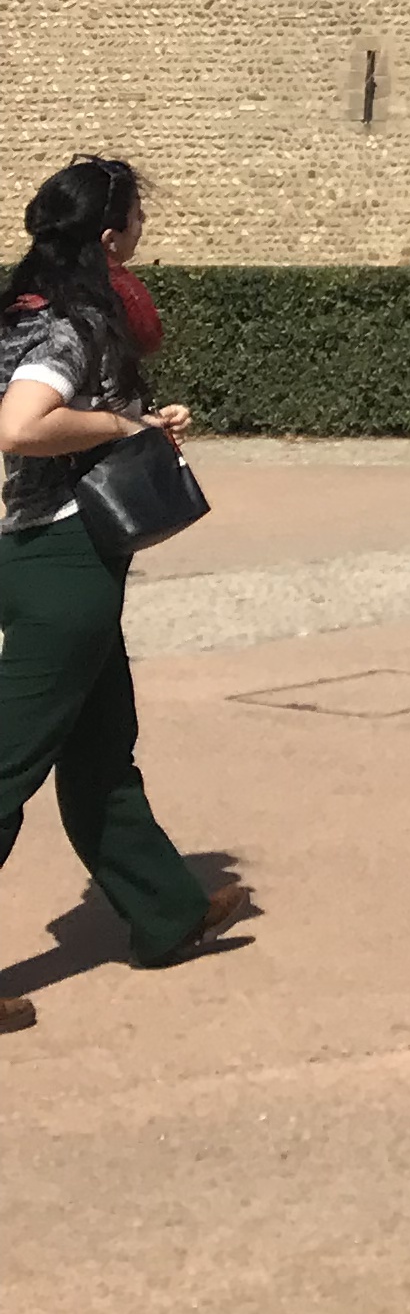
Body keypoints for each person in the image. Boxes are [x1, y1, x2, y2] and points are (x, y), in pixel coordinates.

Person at [0, 156, 251, 1017]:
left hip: (37, 552)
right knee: (7, 762)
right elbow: (22, 424)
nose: (144, 232)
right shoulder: (73, 322)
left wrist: (133, 419)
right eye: (137, 220)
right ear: (110, 236)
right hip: (61, 562)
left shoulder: (19, 313)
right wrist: (119, 422)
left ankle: (165, 911)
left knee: (102, 752)